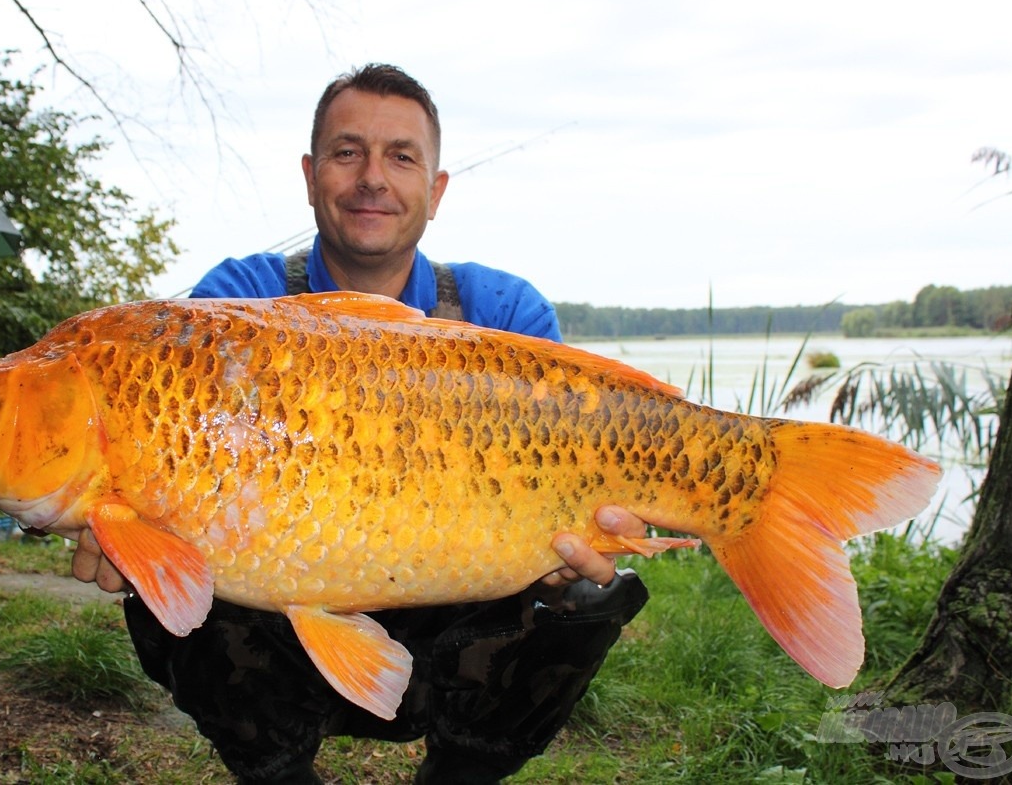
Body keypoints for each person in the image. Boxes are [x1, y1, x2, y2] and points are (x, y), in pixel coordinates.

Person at [72, 63, 650, 784]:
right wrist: (121, 523)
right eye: (348, 152)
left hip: (457, 623)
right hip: (277, 623)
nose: (373, 176)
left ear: (435, 191)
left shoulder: (504, 314)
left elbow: (584, 482)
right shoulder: (233, 304)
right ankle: (280, 773)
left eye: (401, 156)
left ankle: (458, 775)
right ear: (313, 175)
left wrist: (575, 555)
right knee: (171, 594)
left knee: (590, 595)